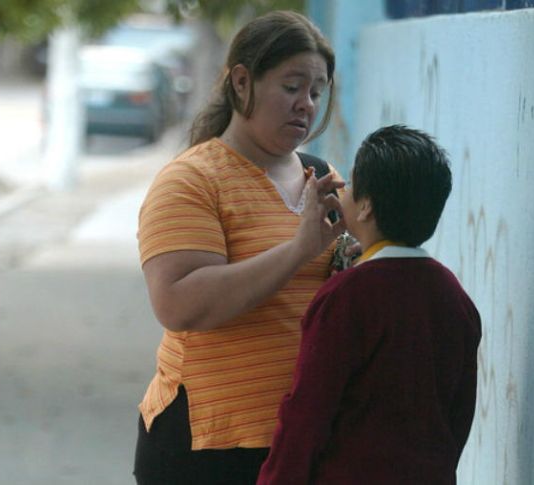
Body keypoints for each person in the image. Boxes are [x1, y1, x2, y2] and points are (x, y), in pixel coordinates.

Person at [132, 10, 347, 484]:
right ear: (243, 81)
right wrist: (297, 251)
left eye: (316, 91)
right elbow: (177, 302)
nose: (306, 104)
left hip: (303, 440)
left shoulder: (321, 176)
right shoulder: (191, 180)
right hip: (209, 446)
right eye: (291, 87)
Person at [257, 125, 483, 485]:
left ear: (366, 207)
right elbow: (459, 413)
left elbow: (307, 412)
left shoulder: (346, 296)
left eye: (352, 184)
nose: (342, 188)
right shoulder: (454, 296)